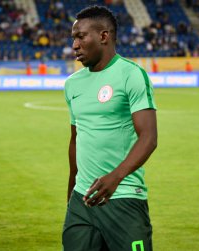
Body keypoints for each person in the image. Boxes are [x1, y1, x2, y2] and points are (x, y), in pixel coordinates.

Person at [62, 6, 157, 251]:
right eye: (74, 38)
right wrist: (72, 185)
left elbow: (148, 137)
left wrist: (114, 178)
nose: (74, 45)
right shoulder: (72, 84)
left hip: (123, 196)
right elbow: (76, 138)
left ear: (104, 36)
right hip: (82, 201)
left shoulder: (131, 75)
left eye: (81, 37)